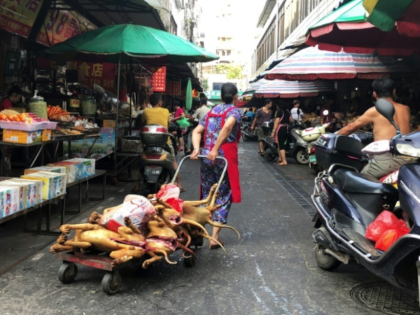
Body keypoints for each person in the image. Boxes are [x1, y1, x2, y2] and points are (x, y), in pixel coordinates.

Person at [191, 83, 242, 249]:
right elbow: (228, 127)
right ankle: (214, 238)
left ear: (221, 96)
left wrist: (198, 148)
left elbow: (196, 131)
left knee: (207, 193)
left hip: (207, 157)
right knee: (223, 194)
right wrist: (215, 149)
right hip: (223, 157)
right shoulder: (235, 111)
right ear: (235, 96)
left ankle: (198, 232)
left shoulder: (211, 111)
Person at [337, 78, 413, 179]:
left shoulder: (375, 110)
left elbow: (350, 128)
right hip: (409, 157)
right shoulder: (405, 108)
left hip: (388, 159)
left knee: (358, 181)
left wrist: (332, 137)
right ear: (394, 91)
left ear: (375, 94)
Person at [132, 93, 184, 192]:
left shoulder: (146, 112)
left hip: (148, 143)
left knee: (141, 161)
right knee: (173, 160)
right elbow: (168, 125)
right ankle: (179, 184)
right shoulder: (166, 111)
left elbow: (142, 122)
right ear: (160, 102)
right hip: (164, 142)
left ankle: (137, 185)